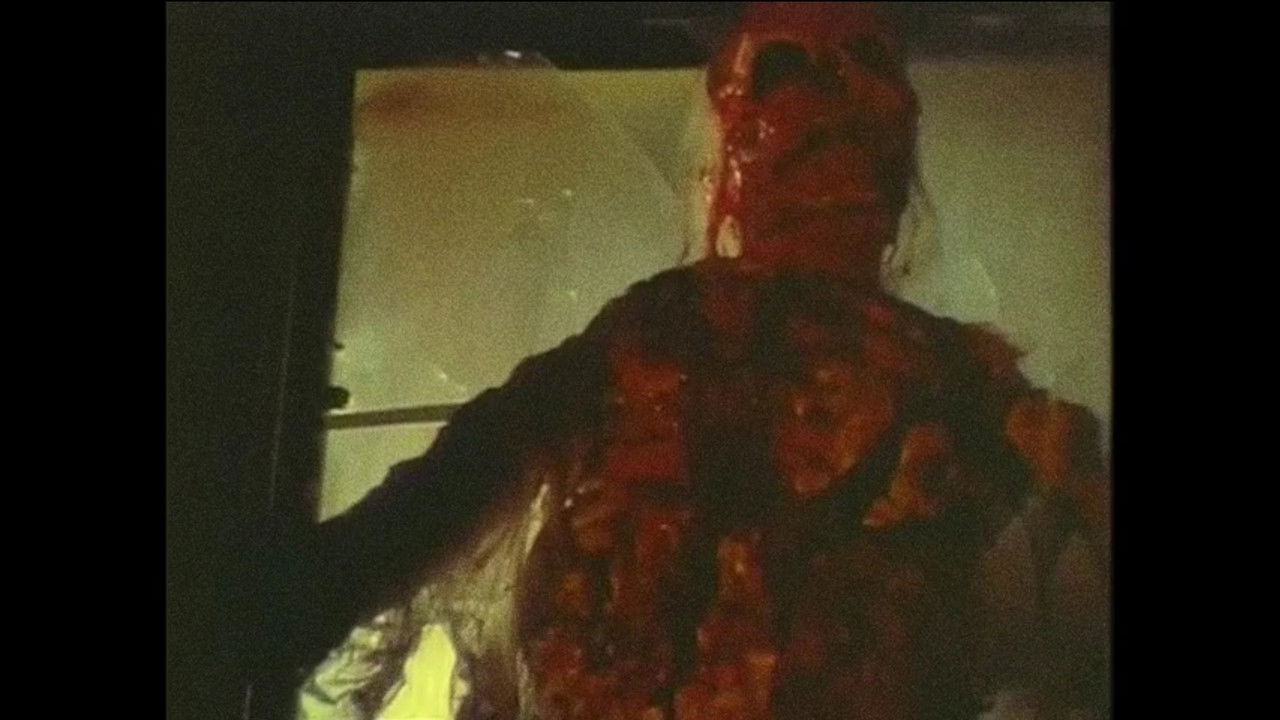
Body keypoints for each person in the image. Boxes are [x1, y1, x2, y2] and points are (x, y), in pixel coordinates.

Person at [280, 4, 1109, 718]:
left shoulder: (965, 386)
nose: (832, 99)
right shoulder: (653, 335)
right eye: (786, 71)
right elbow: (422, 513)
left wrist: (1078, 484)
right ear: (737, 139)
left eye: (864, 64)